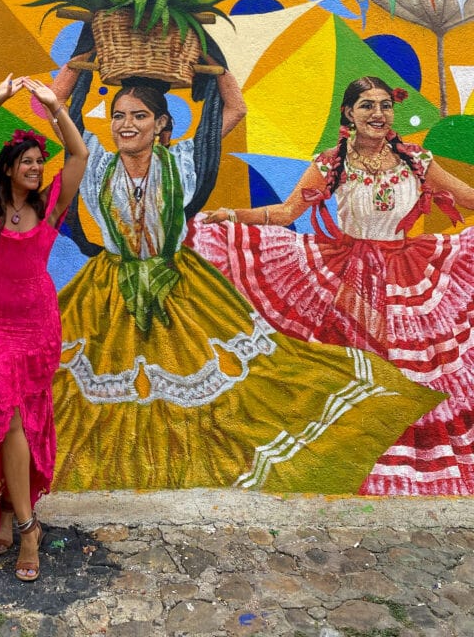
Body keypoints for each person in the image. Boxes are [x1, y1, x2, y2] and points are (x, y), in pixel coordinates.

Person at [49, 66, 445, 494]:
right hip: (106, 290)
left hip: (181, 284)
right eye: (119, 116)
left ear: (162, 124)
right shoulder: (94, 164)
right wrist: (77, 63)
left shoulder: (185, 160)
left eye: (139, 115)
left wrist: (217, 66)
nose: (127, 125)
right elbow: (52, 109)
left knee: (225, 385)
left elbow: (236, 108)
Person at [193, 75, 474, 495]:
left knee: (412, 369)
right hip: (349, 274)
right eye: (367, 106)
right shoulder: (331, 162)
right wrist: (235, 215)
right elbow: (287, 213)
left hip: (408, 274)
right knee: (358, 366)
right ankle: (349, 456)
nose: (377, 114)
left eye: (384, 106)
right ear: (349, 114)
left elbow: (468, 196)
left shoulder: (417, 160)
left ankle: (401, 465)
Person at [0, 74, 88, 582]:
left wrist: (55, 108)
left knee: (23, 421)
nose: (35, 167)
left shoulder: (50, 208)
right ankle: (28, 527)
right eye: (27, 161)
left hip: (36, 323)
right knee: (6, 419)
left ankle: (10, 512)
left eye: (38, 162)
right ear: (8, 168)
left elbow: (78, 157)